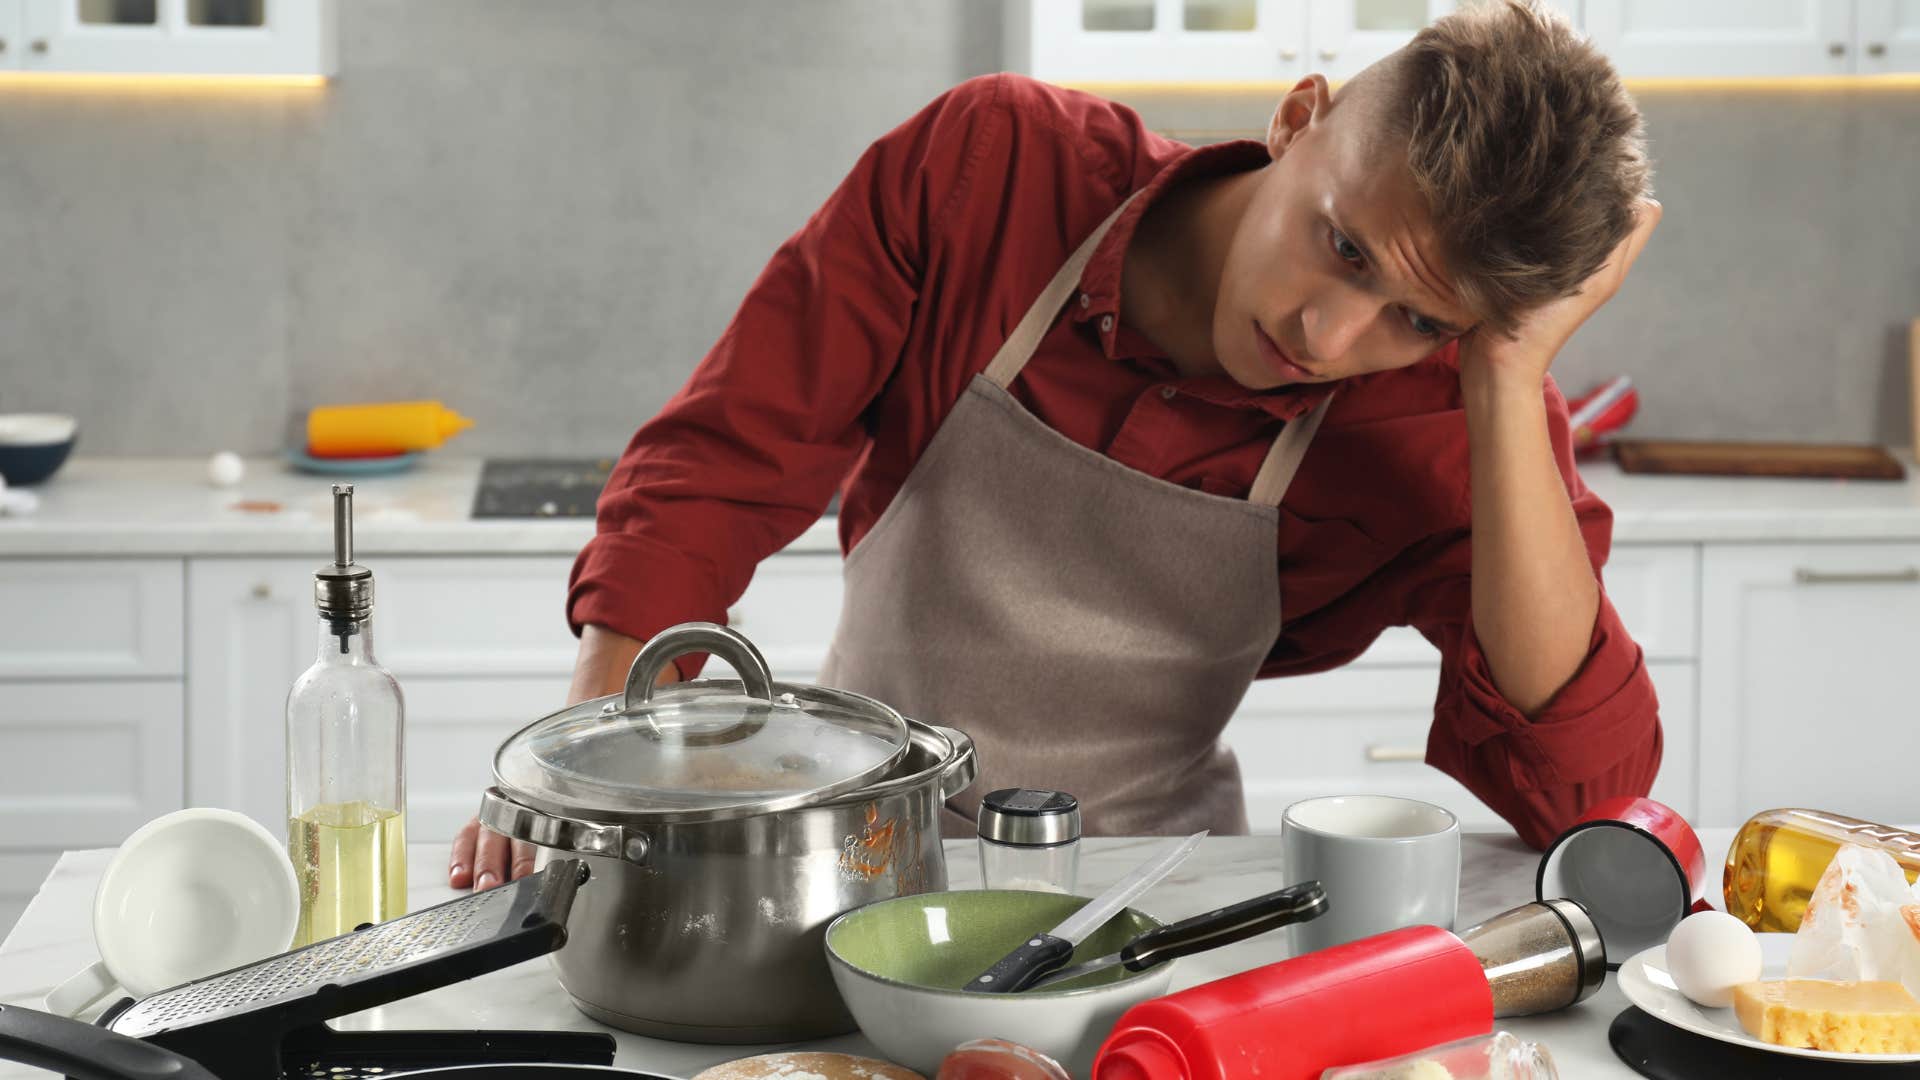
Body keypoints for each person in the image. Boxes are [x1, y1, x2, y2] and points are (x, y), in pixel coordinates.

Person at [450, 0, 1662, 891]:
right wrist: (579, 778)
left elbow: (1584, 795)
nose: (1325, 333)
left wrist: (1507, 377)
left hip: (1153, 895)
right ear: (1300, 121)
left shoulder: (1448, 411)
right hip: (853, 861)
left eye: (1416, 317)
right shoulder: (994, 171)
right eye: (1343, 246)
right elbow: (719, 465)